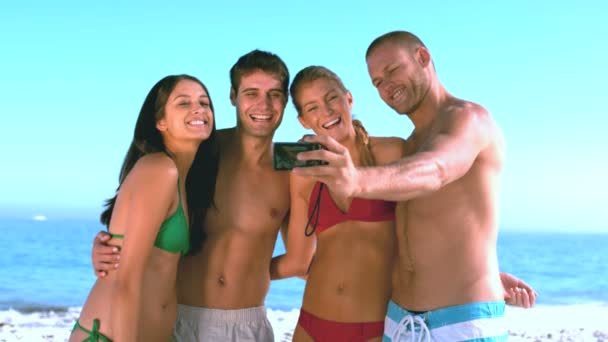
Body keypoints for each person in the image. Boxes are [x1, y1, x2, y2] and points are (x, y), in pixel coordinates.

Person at [293, 31, 538, 341]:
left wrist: (355, 179)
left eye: (392, 70)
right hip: (400, 323)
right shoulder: (408, 146)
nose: (387, 85)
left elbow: (436, 169)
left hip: (460, 324)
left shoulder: (469, 120)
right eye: (378, 82)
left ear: (423, 58)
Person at [91, 50, 291, 342]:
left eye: (274, 94)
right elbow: (136, 209)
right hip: (179, 317)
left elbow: (301, 259)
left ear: (285, 100)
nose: (263, 104)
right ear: (233, 96)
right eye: (251, 93)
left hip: (245, 321)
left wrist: (245, 271)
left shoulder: (293, 167)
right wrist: (108, 247)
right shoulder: (200, 150)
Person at [70, 74, 218, 342]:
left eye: (204, 103)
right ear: (160, 122)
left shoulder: (185, 178)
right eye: (183, 103)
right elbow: (126, 279)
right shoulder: (160, 169)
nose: (199, 109)